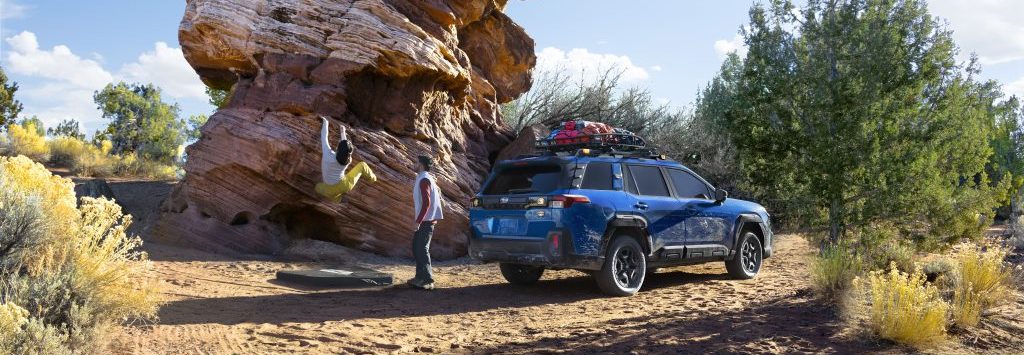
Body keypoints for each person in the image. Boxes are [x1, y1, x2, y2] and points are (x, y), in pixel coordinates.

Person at [315, 117, 377, 203]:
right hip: (345, 186)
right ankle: (373, 179)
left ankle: (337, 200)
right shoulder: (347, 161)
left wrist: (326, 122)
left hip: (328, 189)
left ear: (338, 149)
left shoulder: (328, 154)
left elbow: (324, 137)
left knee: (317, 187)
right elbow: (345, 149)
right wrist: (342, 132)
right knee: (362, 165)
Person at [408, 155, 443, 290]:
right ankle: (420, 277)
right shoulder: (424, 177)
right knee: (417, 248)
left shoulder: (424, 179)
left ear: (421, 164)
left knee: (422, 249)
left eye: (416, 162)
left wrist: (418, 221)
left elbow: (426, 203)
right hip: (425, 220)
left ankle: (428, 280)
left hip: (426, 221)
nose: (414, 163)